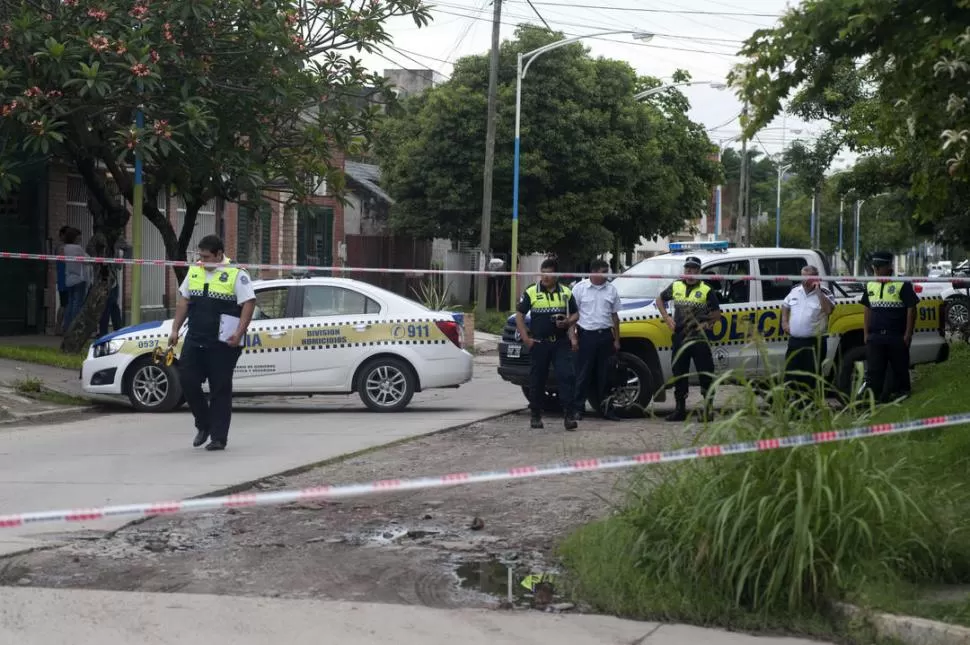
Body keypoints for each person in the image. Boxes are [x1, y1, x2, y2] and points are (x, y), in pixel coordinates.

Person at [168, 235, 256, 451]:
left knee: (220, 389)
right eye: (200, 256)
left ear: (219, 255)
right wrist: (175, 329)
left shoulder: (237, 273)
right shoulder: (195, 270)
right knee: (187, 380)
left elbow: (248, 303)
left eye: (206, 257)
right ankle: (203, 423)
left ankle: (218, 437)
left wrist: (239, 332)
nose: (202, 260)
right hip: (195, 337)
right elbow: (184, 301)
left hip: (223, 342)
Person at [515, 257, 579, 431]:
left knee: (566, 377)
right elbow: (519, 315)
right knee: (537, 380)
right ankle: (535, 415)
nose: (545, 277)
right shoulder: (531, 292)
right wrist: (526, 338)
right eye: (543, 273)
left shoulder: (566, 292)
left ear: (556, 275)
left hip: (560, 343)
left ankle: (569, 416)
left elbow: (575, 314)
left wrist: (567, 322)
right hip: (539, 343)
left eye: (549, 274)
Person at [656, 255, 721, 422]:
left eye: (693, 269)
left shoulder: (706, 289)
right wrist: (667, 318)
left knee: (705, 373)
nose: (690, 272)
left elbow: (716, 314)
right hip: (680, 336)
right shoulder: (676, 285)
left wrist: (707, 325)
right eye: (687, 269)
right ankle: (680, 410)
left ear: (699, 271)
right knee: (679, 373)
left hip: (699, 338)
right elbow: (659, 299)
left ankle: (708, 410)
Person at [861, 251, 918, 402]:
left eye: (878, 268)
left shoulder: (902, 284)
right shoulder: (870, 285)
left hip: (896, 335)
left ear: (888, 267)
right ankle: (875, 399)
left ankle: (902, 394)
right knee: (874, 370)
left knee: (900, 368)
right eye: (874, 268)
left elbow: (911, 308)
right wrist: (866, 333)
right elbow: (867, 309)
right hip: (875, 336)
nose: (876, 271)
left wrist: (908, 334)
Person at [570, 258, 622, 420]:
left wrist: (617, 339)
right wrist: (573, 338)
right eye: (604, 272)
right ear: (593, 272)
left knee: (606, 375)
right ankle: (578, 409)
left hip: (605, 336)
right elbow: (571, 316)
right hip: (586, 336)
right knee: (583, 375)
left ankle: (606, 409)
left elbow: (615, 317)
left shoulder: (611, 290)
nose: (607, 275)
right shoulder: (579, 289)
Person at [781, 265, 835, 396]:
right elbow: (785, 304)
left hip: (813, 343)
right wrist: (784, 321)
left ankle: (809, 406)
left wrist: (818, 291)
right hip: (795, 342)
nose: (803, 280)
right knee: (790, 375)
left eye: (807, 277)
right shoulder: (795, 291)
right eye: (802, 276)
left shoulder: (825, 293)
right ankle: (793, 406)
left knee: (810, 378)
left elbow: (829, 310)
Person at [61, 227, 89, 332]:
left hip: (69, 279)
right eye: (79, 236)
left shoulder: (65, 248)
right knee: (77, 305)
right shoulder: (78, 248)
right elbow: (87, 260)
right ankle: (74, 327)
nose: (80, 238)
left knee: (70, 304)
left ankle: (67, 326)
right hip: (79, 279)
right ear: (75, 237)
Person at [55, 226, 70, 334]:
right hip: (64, 279)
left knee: (65, 304)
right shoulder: (62, 248)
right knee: (64, 304)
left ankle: (61, 326)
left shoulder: (62, 248)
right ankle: (59, 327)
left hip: (65, 279)